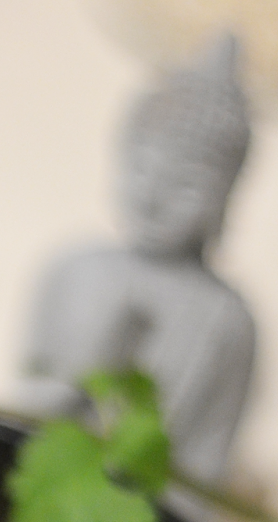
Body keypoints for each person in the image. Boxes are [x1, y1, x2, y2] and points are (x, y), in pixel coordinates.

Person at [19, 34, 255, 493]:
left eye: (185, 185)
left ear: (223, 196)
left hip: (149, 508)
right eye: (141, 168)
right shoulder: (74, 270)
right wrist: (90, 363)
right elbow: (24, 409)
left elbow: (207, 465)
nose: (152, 197)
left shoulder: (227, 321)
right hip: (49, 486)